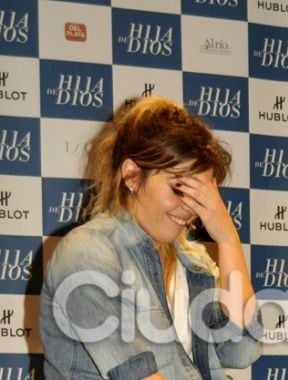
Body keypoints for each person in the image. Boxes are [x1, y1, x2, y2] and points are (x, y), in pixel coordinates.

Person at [39, 96, 262, 379]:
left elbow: (240, 350)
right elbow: (136, 374)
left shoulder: (194, 262)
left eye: (201, 194)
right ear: (132, 175)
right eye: (180, 188)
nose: (190, 207)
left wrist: (228, 239)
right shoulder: (88, 252)